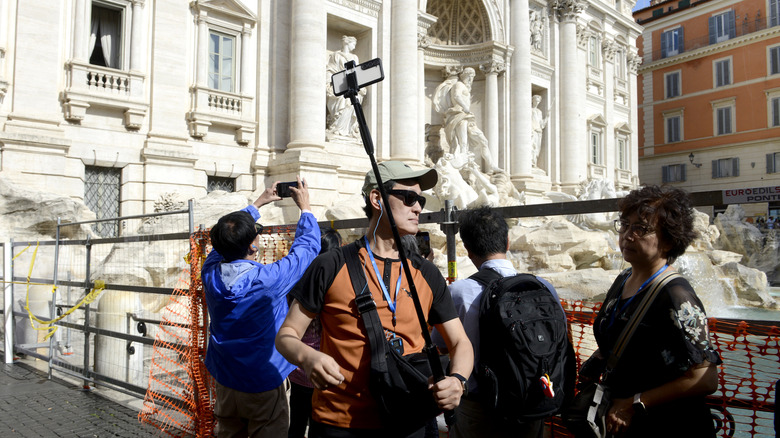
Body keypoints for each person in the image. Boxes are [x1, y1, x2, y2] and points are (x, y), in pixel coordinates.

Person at [277, 161, 474, 438]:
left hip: (409, 421)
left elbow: (460, 342)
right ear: (377, 199)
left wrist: (458, 380)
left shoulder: (426, 273)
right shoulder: (329, 265)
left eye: (421, 200)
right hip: (339, 423)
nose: (418, 207)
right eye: (409, 198)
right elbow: (286, 335)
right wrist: (307, 357)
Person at [579, 185, 722, 437]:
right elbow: (620, 337)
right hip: (623, 421)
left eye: (641, 228)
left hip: (668, 424)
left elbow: (705, 378)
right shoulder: (624, 278)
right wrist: (593, 366)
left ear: (668, 240)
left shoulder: (677, 296)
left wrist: (634, 403)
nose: (627, 235)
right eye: (624, 224)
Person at [202, 176, 321, 438]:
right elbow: (307, 248)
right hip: (262, 380)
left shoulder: (209, 272)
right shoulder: (268, 281)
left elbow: (224, 241)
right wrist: (306, 208)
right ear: (253, 245)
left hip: (224, 377)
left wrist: (258, 203)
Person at [432, 205, 564, 438]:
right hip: (532, 403)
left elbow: (443, 346)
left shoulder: (458, 293)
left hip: (478, 409)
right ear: (508, 242)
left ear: (468, 248)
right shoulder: (543, 287)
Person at [288, 229, 343, 438]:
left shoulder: (298, 281)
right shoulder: (335, 284)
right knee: (320, 427)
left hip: (300, 367)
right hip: (325, 369)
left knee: (297, 424)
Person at [433, 68, 499, 174]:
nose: (471, 80)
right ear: (466, 76)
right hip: (458, 114)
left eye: (472, 78)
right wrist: (465, 107)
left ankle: (492, 166)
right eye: (470, 77)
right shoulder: (458, 84)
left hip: (467, 116)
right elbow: (456, 96)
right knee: (462, 142)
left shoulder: (465, 87)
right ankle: (462, 167)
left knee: (483, 140)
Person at [326, 35, 365, 137]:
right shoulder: (336, 55)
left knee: (353, 101)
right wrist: (329, 84)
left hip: (351, 85)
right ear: (347, 43)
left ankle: (347, 130)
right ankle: (337, 128)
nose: (354, 47)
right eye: (353, 44)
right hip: (339, 85)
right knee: (344, 99)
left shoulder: (354, 57)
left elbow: (357, 72)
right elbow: (330, 70)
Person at [530, 94, 548, 168]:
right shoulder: (530, 110)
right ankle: (531, 163)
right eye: (535, 101)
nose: (537, 103)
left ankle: (535, 163)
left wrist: (547, 116)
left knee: (537, 148)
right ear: (532, 101)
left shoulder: (539, 112)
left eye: (538, 102)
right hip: (533, 131)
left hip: (539, 132)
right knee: (532, 147)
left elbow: (542, 124)